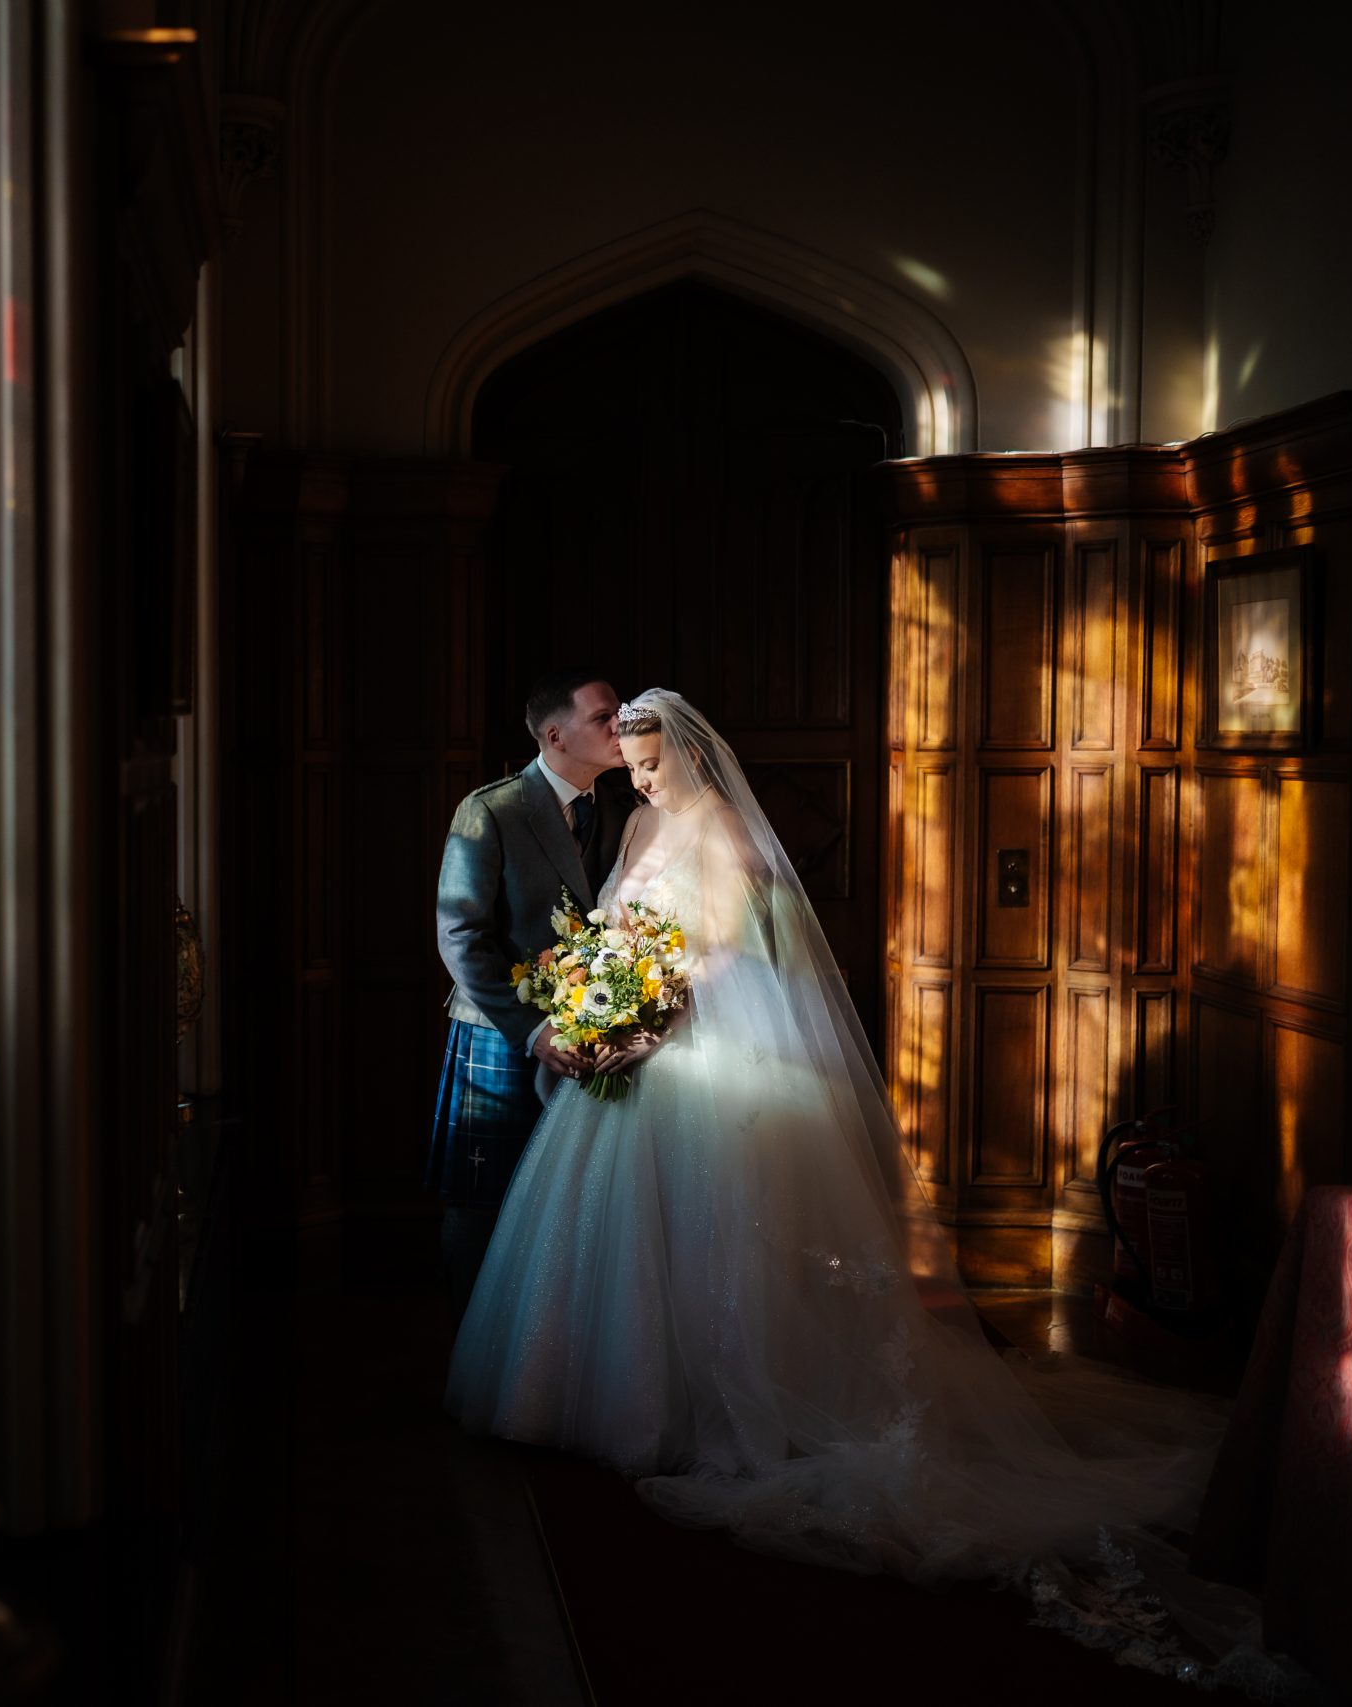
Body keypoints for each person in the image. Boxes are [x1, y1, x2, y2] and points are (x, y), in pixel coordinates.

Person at [445, 688, 1303, 1694]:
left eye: (650, 764)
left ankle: (703, 1408)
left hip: (698, 1034)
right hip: (634, 1044)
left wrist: (641, 1000)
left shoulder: (719, 824)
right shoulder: (633, 821)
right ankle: (592, 1394)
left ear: (684, 755)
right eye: (630, 764)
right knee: (613, 1230)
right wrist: (601, 988)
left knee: (719, 1233)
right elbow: (613, 926)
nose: (639, 779)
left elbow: (716, 944)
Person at [429, 668, 641, 1313]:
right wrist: (535, 1029)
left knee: (563, 1197)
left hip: (586, 1034)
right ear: (555, 734)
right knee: (482, 1200)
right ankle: (470, 1362)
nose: (619, 726)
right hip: (499, 1033)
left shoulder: (621, 807)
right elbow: (461, 935)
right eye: (604, 717)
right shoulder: (491, 809)